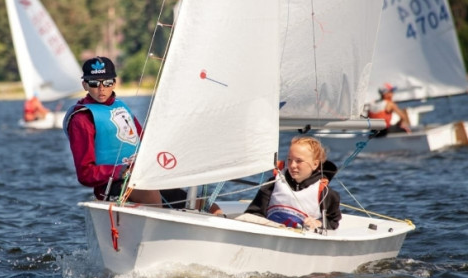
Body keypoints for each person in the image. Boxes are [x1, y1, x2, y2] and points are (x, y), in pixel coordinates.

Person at [63, 56, 221, 214]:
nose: (102, 88)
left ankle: (223, 220)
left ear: (114, 83)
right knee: (150, 194)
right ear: (85, 85)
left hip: (142, 177)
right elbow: (85, 174)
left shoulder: (121, 107)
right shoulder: (82, 119)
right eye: (94, 83)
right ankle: (158, 229)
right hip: (112, 185)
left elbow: (145, 143)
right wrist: (120, 171)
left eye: (107, 82)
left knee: (197, 201)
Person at [244, 136, 341, 231]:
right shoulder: (273, 184)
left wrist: (318, 223)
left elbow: (333, 221)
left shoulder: (324, 192)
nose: (292, 165)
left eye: (299, 161)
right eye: (289, 160)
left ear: (315, 164)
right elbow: (254, 212)